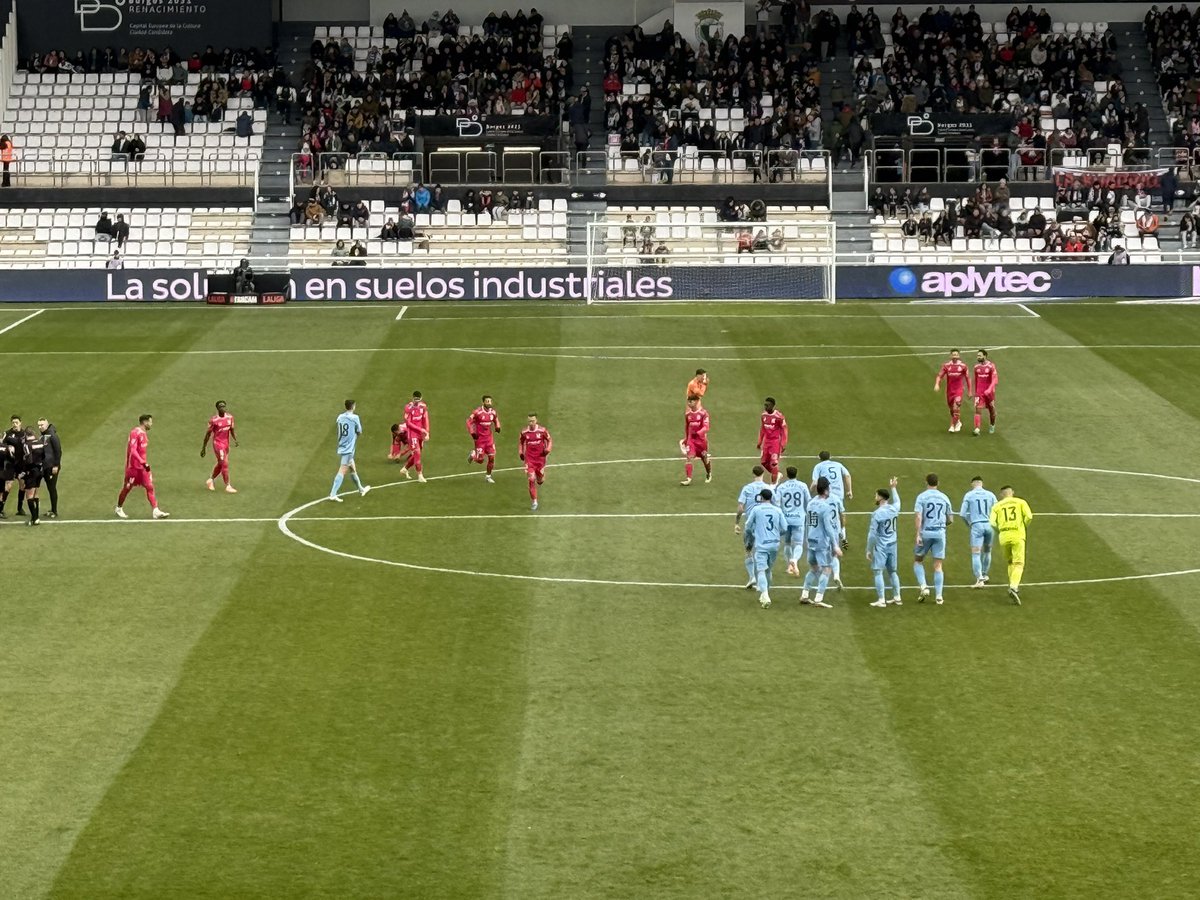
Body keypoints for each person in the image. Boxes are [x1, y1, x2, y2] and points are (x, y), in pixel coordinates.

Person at [811, 450, 853, 586]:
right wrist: (849, 490)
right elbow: (847, 475)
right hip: (838, 495)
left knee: (825, 517)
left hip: (825, 494)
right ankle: (843, 536)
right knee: (838, 515)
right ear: (830, 457)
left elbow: (814, 482)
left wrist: (811, 492)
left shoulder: (818, 467)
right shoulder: (838, 464)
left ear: (819, 458)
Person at [799, 476, 842, 609]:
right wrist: (835, 545)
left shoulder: (811, 503)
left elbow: (807, 522)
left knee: (813, 568)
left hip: (810, 539)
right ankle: (818, 598)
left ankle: (805, 594)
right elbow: (828, 527)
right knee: (827, 569)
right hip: (821, 542)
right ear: (827, 490)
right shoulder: (826, 506)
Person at [115, 414, 169, 519]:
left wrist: (143, 464)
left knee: (150, 487)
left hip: (142, 468)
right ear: (144, 422)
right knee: (127, 488)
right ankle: (119, 508)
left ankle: (155, 510)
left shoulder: (144, 434)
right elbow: (133, 450)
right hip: (133, 468)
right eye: (150, 422)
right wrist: (142, 462)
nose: (151, 424)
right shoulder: (135, 433)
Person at [743, 488, 787, 608]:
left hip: (762, 544)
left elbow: (747, 525)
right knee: (768, 569)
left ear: (761, 497)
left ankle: (765, 595)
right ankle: (764, 594)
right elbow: (784, 528)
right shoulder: (777, 510)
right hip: (774, 544)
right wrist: (777, 535)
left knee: (761, 570)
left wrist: (751, 535)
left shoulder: (756, 509)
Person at [989, 485, 1034, 604]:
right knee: (1019, 563)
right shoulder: (1021, 502)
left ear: (1001, 495)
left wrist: (1000, 530)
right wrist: (1024, 526)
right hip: (1017, 535)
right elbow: (1029, 517)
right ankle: (1014, 587)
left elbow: (992, 523)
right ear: (1012, 492)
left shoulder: (996, 506)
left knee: (1010, 561)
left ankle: (1013, 584)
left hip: (1004, 536)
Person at [913, 472, 953, 604]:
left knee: (918, 561)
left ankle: (924, 586)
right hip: (940, 533)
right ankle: (939, 596)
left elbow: (919, 516)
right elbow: (950, 519)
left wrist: (918, 534)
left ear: (926, 482)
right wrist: (941, 525)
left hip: (926, 533)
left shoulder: (921, 497)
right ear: (938, 483)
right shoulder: (944, 497)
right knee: (938, 565)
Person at [866, 477, 902, 607]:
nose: (875, 497)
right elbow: (898, 501)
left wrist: (869, 549)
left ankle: (881, 600)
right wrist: (894, 488)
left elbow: (872, 535)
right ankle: (897, 597)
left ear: (881, 497)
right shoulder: (894, 509)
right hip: (893, 544)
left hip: (881, 546)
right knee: (893, 572)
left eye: (876, 495)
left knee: (878, 571)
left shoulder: (877, 514)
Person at [734, 464, 772, 588]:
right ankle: (764, 578)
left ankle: (752, 577)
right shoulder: (768, 488)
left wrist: (736, 523)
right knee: (763, 551)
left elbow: (740, 508)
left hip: (750, 523)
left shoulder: (747, 488)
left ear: (753, 474)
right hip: (764, 525)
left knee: (748, 550)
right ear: (763, 474)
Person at [960, 475, 998, 589]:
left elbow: (962, 514)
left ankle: (979, 579)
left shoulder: (969, 495)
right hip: (989, 525)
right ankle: (985, 575)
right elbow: (997, 510)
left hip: (977, 525)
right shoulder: (991, 494)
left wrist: (969, 524)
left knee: (976, 553)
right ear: (982, 483)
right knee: (987, 551)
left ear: (973, 484)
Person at [328, 399, 370, 501]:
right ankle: (333, 494)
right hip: (349, 448)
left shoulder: (340, 417)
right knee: (343, 469)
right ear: (354, 406)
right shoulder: (355, 418)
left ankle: (361, 489)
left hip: (342, 443)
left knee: (352, 468)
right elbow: (359, 431)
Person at [775, 466, 811, 577]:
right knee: (799, 543)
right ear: (796, 474)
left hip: (785, 519)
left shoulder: (782, 487)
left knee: (787, 543)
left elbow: (777, 502)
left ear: (787, 474)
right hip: (799, 518)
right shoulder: (802, 486)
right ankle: (794, 560)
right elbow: (808, 501)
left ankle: (789, 566)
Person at [201, 400, 239, 493]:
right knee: (224, 463)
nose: (223, 408)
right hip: (218, 444)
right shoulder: (214, 420)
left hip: (226, 444)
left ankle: (210, 480)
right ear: (217, 408)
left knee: (220, 463)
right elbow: (208, 435)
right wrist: (204, 448)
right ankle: (228, 485)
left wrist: (235, 439)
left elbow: (232, 430)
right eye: (221, 407)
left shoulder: (230, 418)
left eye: (224, 406)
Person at [518, 413, 552, 511]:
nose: (531, 423)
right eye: (529, 421)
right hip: (529, 460)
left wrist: (548, 449)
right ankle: (534, 501)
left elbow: (549, 440)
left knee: (540, 481)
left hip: (540, 460)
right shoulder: (524, 432)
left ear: (536, 420)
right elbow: (520, 442)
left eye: (533, 421)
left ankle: (541, 476)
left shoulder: (542, 431)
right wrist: (520, 452)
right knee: (531, 479)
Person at [466, 394, 501, 483]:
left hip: (489, 440)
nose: (489, 403)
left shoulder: (493, 412)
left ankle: (488, 476)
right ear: (483, 402)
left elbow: (496, 419)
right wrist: (472, 433)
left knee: (492, 458)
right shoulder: (477, 412)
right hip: (480, 440)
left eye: (490, 401)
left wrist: (497, 426)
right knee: (480, 460)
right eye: (487, 401)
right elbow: (469, 421)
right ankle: (473, 454)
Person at [934, 348, 970, 433]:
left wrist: (969, 391)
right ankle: (958, 422)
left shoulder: (963, 366)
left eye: (956, 355)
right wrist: (937, 384)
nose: (955, 356)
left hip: (959, 390)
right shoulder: (946, 366)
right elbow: (939, 376)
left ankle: (952, 426)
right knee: (952, 409)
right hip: (950, 391)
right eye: (953, 355)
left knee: (956, 407)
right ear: (950, 356)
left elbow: (968, 378)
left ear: (959, 356)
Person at [679, 395, 711, 486]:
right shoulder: (688, 415)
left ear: (696, 401)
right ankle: (688, 479)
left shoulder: (704, 413)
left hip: (701, 441)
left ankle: (708, 473)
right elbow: (686, 427)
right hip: (691, 440)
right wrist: (686, 438)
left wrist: (699, 433)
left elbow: (706, 427)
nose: (689, 403)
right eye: (688, 401)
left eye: (691, 401)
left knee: (704, 458)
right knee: (689, 457)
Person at [757, 396, 788, 485]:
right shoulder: (763, 415)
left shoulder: (779, 417)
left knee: (774, 463)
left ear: (773, 406)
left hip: (775, 443)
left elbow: (784, 429)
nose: (765, 407)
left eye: (767, 405)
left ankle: (773, 484)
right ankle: (777, 474)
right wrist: (759, 441)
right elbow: (763, 428)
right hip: (767, 442)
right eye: (765, 405)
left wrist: (783, 443)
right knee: (763, 462)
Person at [19, 427, 46, 525]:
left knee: (29, 495)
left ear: (26, 435)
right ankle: (36, 517)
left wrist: (24, 471)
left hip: (31, 472)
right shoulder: (40, 442)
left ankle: (35, 518)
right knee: (36, 494)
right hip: (40, 471)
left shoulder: (27, 445)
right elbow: (43, 456)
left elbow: (29, 460)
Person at [401, 391, 429, 482]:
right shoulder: (408, 408)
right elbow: (408, 423)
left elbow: (425, 419)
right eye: (415, 399)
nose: (417, 401)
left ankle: (405, 469)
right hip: (412, 433)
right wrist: (421, 430)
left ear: (421, 399)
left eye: (418, 399)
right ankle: (420, 475)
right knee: (417, 453)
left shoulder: (423, 406)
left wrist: (427, 432)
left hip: (420, 433)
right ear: (412, 398)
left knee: (418, 453)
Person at [1, 416, 26, 516]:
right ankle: (1, 508)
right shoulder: (7, 434)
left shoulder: (24, 434)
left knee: (23, 485)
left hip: (21, 464)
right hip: (10, 464)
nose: (14, 424)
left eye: (16, 422)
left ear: (20, 423)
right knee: (8, 486)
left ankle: (20, 508)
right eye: (13, 423)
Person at [37, 418, 60, 518]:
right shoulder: (43, 436)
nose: (40, 427)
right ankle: (52, 510)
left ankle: (54, 511)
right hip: (45, 466)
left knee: (52, 488)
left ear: (46, 425)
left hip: (51, 467)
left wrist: (56, 465)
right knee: (49, 488)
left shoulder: (52, 435)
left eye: (42, 425)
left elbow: (58, 451)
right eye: (39, 425)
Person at [972, 349, 998, 435]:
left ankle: (992, 425)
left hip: (989, 393)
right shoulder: (976, 367)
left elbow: (995, 380)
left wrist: (989, 390)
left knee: (992, 411)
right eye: (977, 356)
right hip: (979, 392)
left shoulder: (991, 366)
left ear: (985, 356)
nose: (978, 357)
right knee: (978, 410)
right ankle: (977, 429)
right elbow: (976, 380)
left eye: (979, 356)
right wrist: (975, 392)